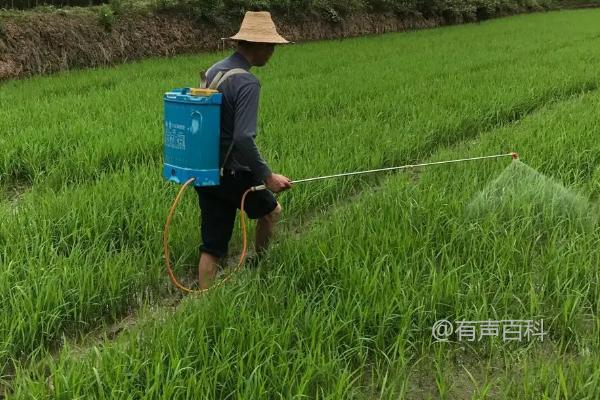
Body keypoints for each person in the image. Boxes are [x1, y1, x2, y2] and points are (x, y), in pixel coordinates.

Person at [196, 11, 293, 289]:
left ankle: (202, 303)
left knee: (212, 245)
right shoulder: (248, 82)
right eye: (271, 46)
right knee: (272, 212)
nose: (273, 53)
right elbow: (243, 137)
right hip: (234, 174)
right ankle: (259, 265)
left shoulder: (214, 70)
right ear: (259, 45)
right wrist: (267, 176)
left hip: (205, 169)